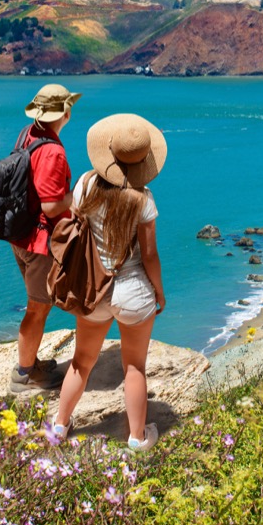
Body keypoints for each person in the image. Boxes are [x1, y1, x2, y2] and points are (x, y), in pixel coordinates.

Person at [52, 113, 167, 451]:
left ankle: (60, 427)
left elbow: (77, 227)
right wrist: (159, 293)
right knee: (134, 366)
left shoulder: (86, 185)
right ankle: (137, 438)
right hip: (134, 293)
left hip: (94, 289)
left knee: (81, 361)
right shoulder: (143, 200)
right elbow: (149, 257)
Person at [9, 83, 82, 394]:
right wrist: (75, 196)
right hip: (40, 244)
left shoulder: (28, 134)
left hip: (20, 234)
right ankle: (23, 375)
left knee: (36, 304)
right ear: (65, 112)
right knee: (38, 308)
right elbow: (52, 206)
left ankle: (32, 361)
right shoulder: (52, 150)